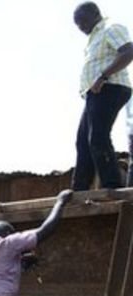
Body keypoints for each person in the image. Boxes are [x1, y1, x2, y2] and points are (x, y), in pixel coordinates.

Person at [72, 2, 133, 190]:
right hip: (95, 92)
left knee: (98, 136)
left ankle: (111, 184)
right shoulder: (94, 37)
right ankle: (80, 186)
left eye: (82, 21)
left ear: (94, 14)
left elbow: (129, 51)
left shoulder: (110, 28)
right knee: (83, 139)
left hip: (111, 87)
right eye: (77, 24)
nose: (80, 27)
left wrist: (103, 76)